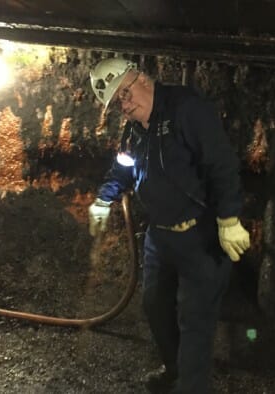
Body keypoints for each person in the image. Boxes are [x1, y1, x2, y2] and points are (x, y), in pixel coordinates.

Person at [87, 57, 251, 393]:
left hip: (199, 235)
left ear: (142, 78)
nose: (125, 104)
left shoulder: (187, 109)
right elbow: (123, 168)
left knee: (194, 321)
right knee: (154, 304)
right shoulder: (134, 130)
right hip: (159, 237)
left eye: (126, 92)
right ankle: (175, 369)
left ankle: (191, 387)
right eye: (117, 101)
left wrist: (230, 219)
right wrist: (104, 199)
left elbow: (222, 164)